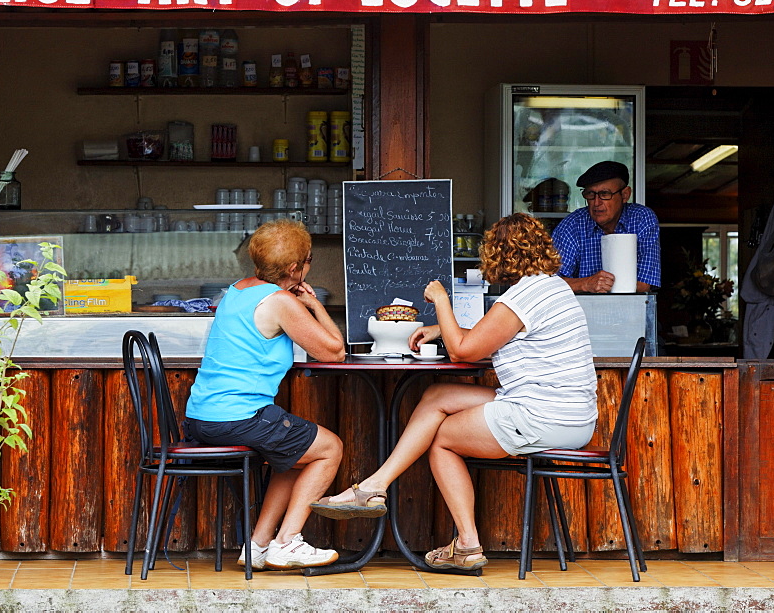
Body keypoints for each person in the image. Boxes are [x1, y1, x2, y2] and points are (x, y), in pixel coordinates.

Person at [309, 213, 597, 571]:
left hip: (543, 416)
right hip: (563, 412)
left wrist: (441, 299)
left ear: (499, 254)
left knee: (441, 438)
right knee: (438, 396)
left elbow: (464, 351)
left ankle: (468, 545)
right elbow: (480, 338)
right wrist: (438, 329)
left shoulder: (522, 298)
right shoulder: (550, 287)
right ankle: (374, 486)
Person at [184, 219, 346, 571]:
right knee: (330, 448)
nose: (308, 266)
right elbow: (334, 352)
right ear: (294, 269)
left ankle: (257, 546)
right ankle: (287, 543)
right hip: (238, 417)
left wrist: (305, 303)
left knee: (293, 453)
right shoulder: (280, 302)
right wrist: (316, 307)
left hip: (201, 417)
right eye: (308, 261)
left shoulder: (237, 290)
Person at [551, 160, 661, 293]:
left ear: (625, 195)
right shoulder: (573, 225)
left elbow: (644, 284)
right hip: (581, 311)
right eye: (591, 194)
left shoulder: (641, 219)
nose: (597, 203)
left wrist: (604, 286)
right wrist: (585, 283)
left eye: (605, 194)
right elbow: (549, 283)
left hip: (630, 310)